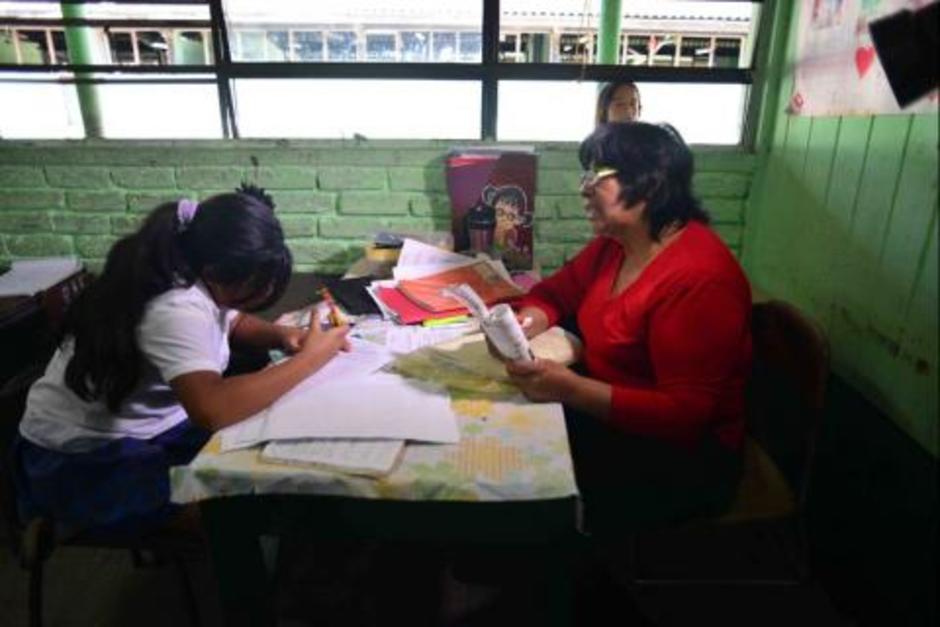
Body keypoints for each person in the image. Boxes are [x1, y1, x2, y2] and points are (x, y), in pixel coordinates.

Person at [13, 185, 350, 536]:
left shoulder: (187, 262)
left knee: (268, 459)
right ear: (219, 271)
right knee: (241, 507)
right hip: (84, 459)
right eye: (253, 286)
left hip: (154, 427)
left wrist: (282, 336)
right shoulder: (174, 306)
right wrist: (313, 358)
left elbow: (232, 320)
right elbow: (212, 407)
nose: (257, 297)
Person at [505, 122, 751, 535]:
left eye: (596, 176)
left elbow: (684, 416)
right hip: (612, 414)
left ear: (650, 185)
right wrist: (521, 327)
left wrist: (570, 389)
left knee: (523, 470)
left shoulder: (699, 278)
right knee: (512, 434)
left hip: (682, 459)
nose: (584, 189)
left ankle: (550, 579)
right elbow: (554, 294)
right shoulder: (615, 244)